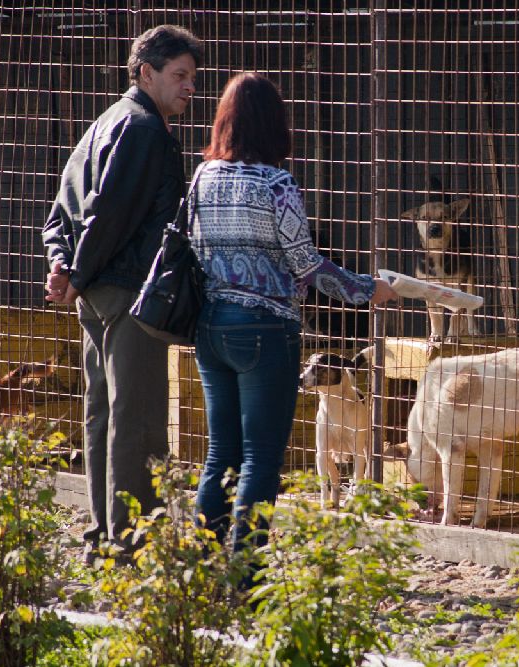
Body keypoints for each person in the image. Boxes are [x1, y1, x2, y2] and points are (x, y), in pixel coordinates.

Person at [189, 72, 398, 556]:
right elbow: (305, 263)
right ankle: (247, 572)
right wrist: (368, 289)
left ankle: (199, 567)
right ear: (275, 125)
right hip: (266, 329)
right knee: (262, 457)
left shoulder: (202, 177)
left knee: (220, 453)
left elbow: (194, 248)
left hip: (212, 325)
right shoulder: (277, 183)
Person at [41, 25, 203, 563]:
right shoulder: (144, 129)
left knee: (103, 415)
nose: (189, 89)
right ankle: (131, 546)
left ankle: (102, 538)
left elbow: (62, 206)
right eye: (180, 76)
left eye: (192, 78)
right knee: (136, 421)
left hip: (96, 296)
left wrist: (63, 265)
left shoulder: (105, 121)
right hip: (129, 296)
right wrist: (77, 271)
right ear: (146, 73)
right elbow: (110, 213)